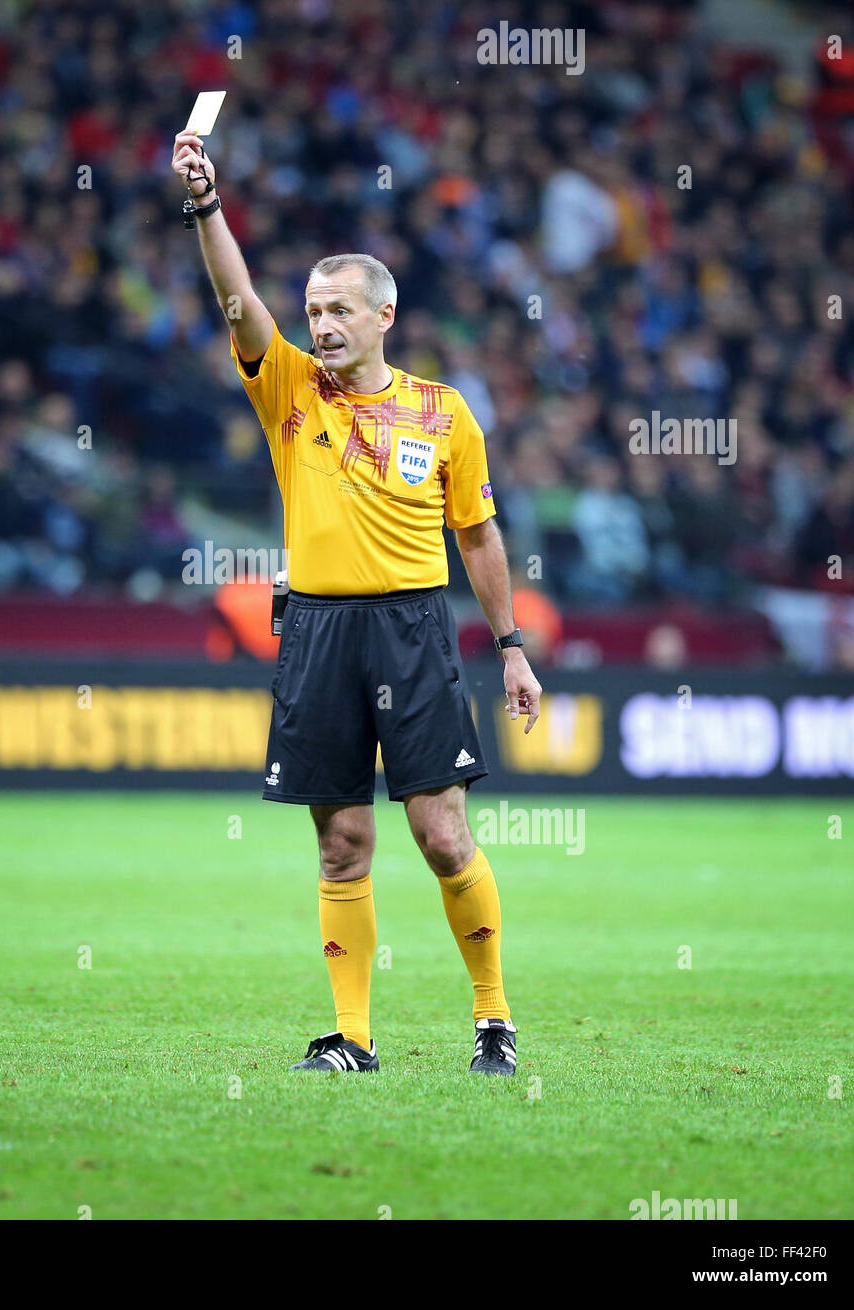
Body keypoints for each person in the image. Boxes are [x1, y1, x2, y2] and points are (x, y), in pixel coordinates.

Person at [172, 130, 543, 1076]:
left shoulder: (443, 411)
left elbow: (479, 538)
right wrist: (206, 205)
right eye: (313, 310)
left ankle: (493, 1020)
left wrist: (509, 643)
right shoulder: (289, 387)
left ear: (384, 315)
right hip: (318, 631)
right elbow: (236, 300)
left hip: (413, 628)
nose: (322, 325)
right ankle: (351, 1038)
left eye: (339, 310)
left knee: (440, 830)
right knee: (341, 842)